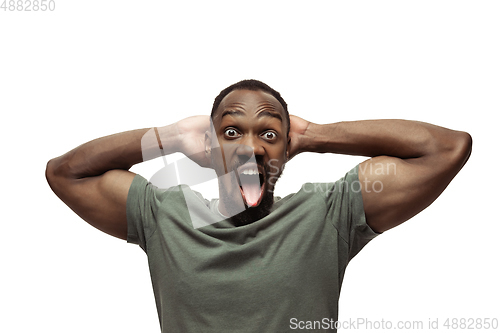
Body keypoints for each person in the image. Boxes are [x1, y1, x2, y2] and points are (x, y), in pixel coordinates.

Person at [46, 79, 472, 332]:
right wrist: (171, 136)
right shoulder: (165, 214)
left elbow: (447, 149)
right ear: (209, 147)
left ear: (286, 150)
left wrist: (316, 136)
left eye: (268, 134)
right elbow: (65, 172)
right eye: (232, 133)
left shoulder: (328, 213)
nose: (251, 147)